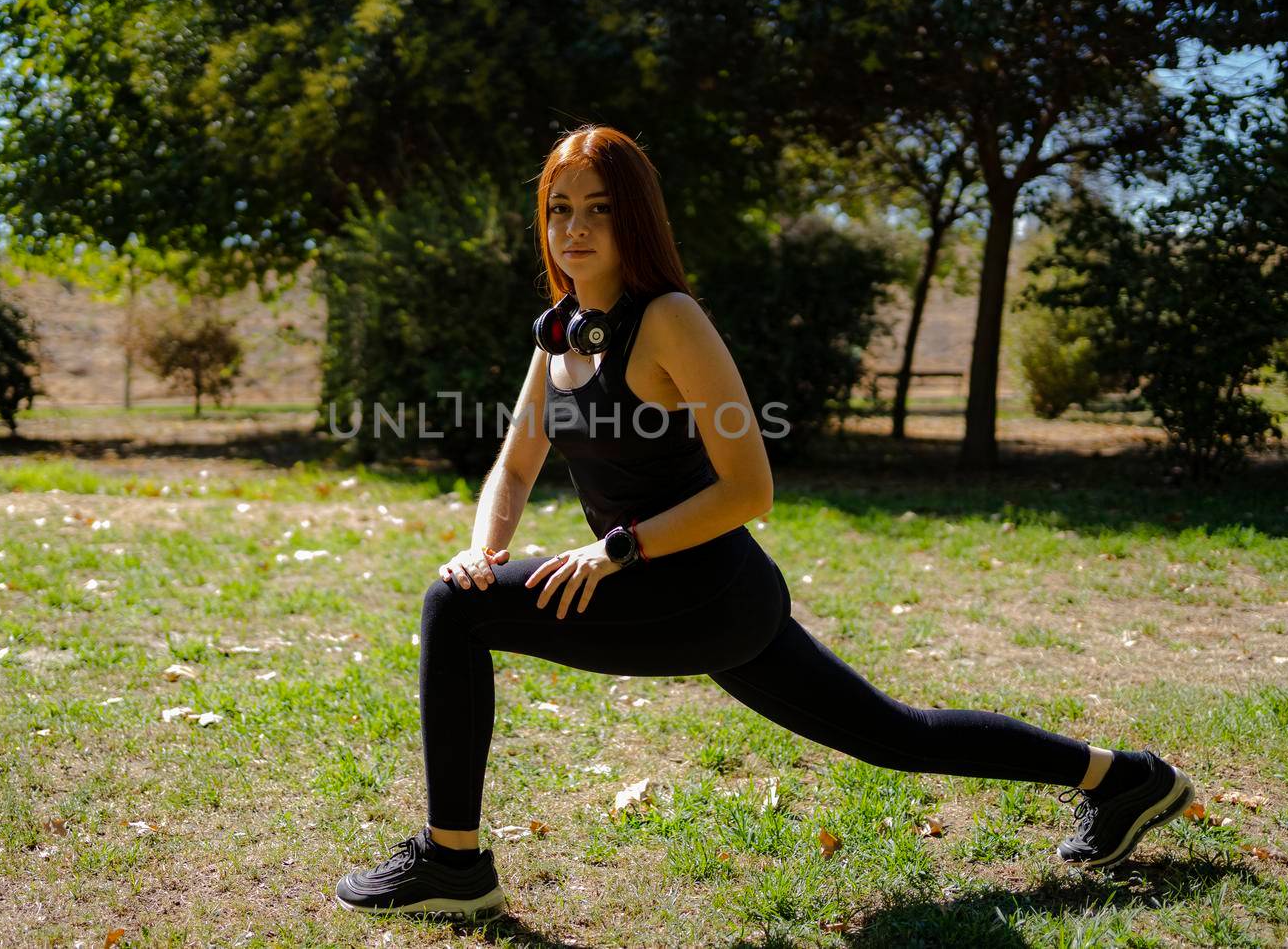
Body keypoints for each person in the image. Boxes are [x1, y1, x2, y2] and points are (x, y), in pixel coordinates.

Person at [333, 125, 1194, 921]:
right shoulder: (557, 334)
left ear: (636, 219)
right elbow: (516, 462)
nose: (576, 228)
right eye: (560, 208)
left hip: (707, 590)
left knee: (454, 615)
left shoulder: (669, 319)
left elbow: (750, 488)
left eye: (600, 208)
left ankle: (454, 865)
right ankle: (1126, 779)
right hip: (671, 590)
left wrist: (616, 547)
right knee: (895, 734)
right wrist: (486, 549)